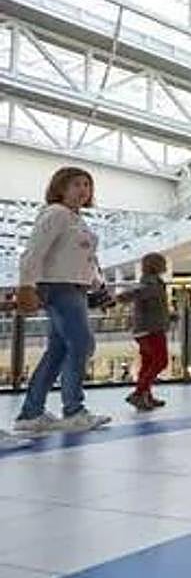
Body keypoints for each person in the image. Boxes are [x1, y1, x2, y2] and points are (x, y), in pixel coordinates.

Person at [12, 167, 112, 435]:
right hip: (59, 287)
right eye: (76, 184)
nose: (83, 190)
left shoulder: (76, 219)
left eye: (87, 185)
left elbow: (84, 260)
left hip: (74, 288)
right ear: (60, 188)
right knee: (82, 344)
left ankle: (31, 413)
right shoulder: (56, 213)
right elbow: (33, 252)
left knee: (57, 351)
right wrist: (26, 286)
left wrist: (99, 286)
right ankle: (74, 411)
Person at [118, 252, 171, 411]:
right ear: (157, 265)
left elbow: (151, 302)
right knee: (161, 361)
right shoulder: (151, 283)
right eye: (163, 262)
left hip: (144, 329)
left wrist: (168, 316)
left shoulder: (154, 282)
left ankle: (146, 395)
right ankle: (139, 393)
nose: (165, 265)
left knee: (148, 363)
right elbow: (139, 292)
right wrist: (119, 297)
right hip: (151, 329)